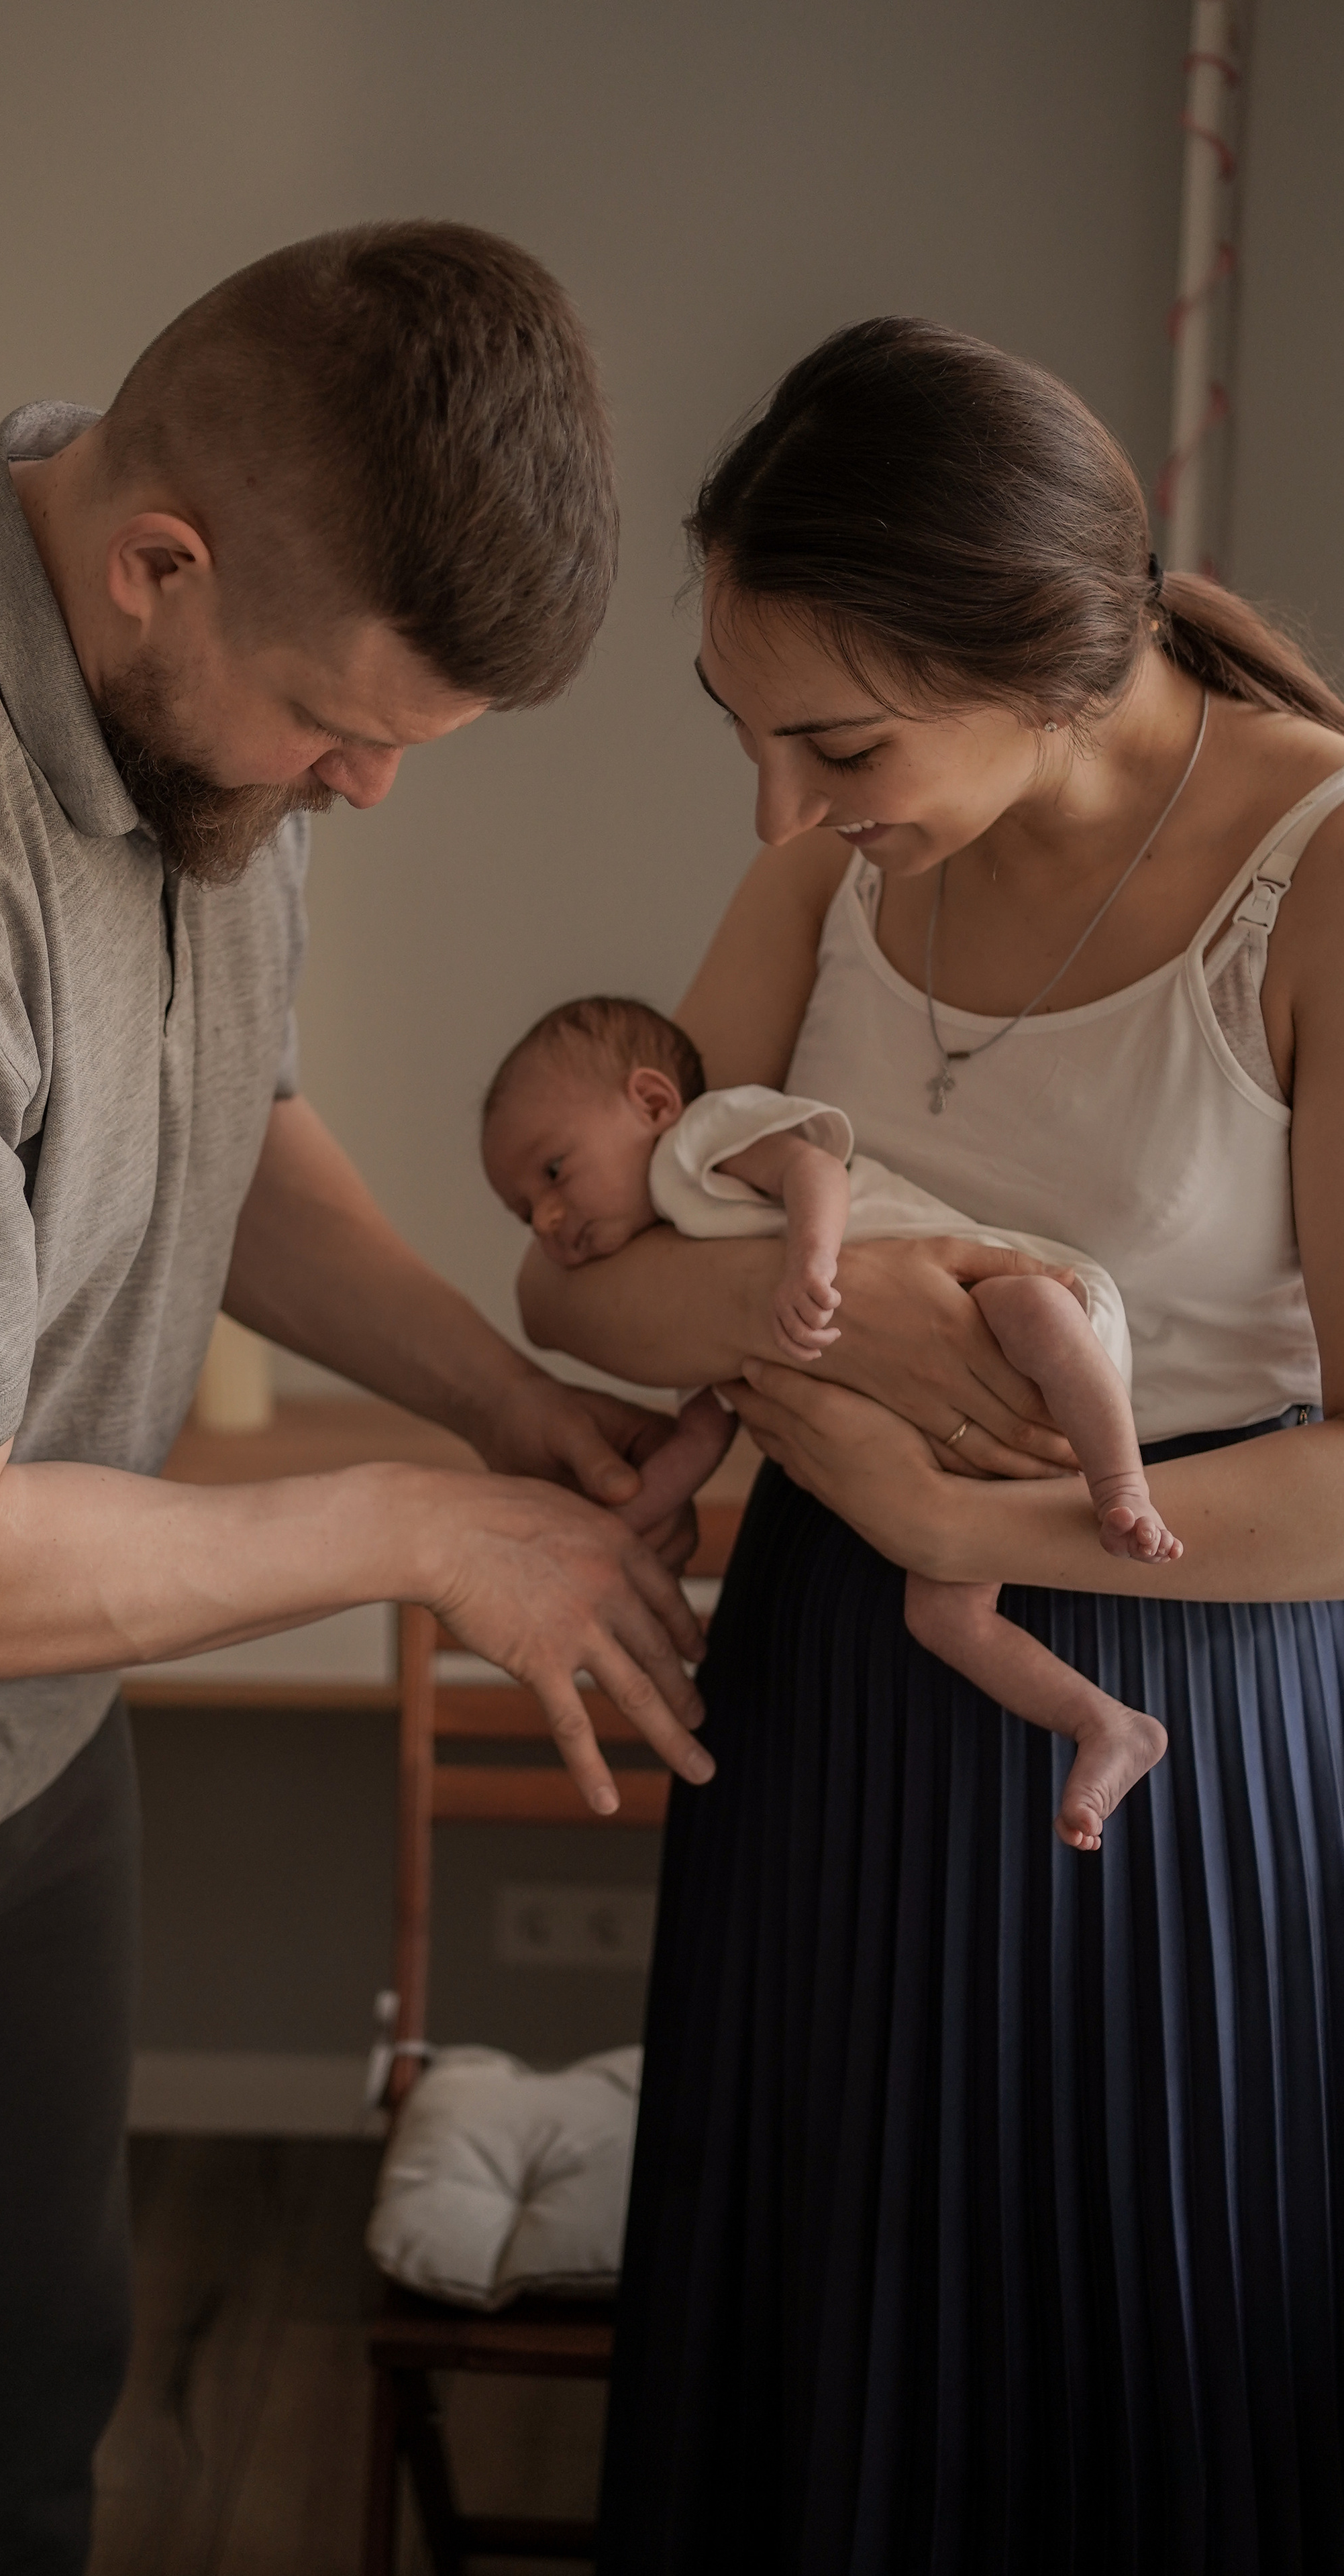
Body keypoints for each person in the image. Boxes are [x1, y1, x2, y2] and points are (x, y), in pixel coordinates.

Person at [0, 223, 719, 2576]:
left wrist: (497, 1400)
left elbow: (219, 1128)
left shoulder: (197, 695)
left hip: (31, 1706)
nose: (368, 791)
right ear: (155, 566)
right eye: (346, 732)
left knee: (16, 2411)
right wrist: (422, 1526)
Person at [519, 318, 1344, 2571]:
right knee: (825, 2356)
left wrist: (937, 1500)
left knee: (1142, 2359)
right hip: (828, 1707)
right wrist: (839, 1316)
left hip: (1180, 1715)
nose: (777, 812)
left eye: (839, 744)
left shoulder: (1316, 876)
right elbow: (575, 1276)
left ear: (1045, 655)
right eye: (745, 732)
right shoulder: (830, 888)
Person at [481, 991, 1176, 1849]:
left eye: (553, 1171)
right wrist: (612, 1528)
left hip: (1009, 1301)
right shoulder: (685, 1256)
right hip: (968, 1444)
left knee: (1035, 1306)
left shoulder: (696, 1144)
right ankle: (1107, 1726)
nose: (547, 1220)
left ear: (652, 1102)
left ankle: (1122, 1487)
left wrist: (808, 1264)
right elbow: (700, 1436)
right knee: (944, 1618)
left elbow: (814, 1170)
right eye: (523, 1211)